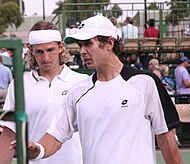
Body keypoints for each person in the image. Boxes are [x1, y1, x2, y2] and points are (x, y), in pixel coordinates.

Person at [12, 15, 183, 164]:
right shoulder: (77, 92)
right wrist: (38, 149)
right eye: (80, 45)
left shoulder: (145, 82)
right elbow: (55, 136)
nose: (82, 51)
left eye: (88, 44)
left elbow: (166, 140)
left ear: (109, 42)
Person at [0, 20, 88, 164]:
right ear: (31, 50)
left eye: (50, 50)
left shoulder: (83, 82)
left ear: (61, 47)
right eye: (39, 51)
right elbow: (9, 133)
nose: (45, 58)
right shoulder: (19, 85)